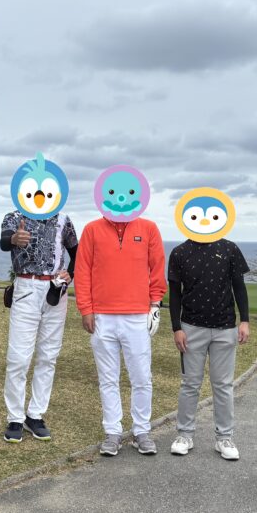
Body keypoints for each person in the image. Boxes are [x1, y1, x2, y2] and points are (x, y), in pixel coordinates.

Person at [75, 166, 166, 456]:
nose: (121, 199)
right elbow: (82, 271)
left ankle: (142, 431)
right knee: (108, 378)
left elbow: (157, 269)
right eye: (114, 192)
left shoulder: (148, 229)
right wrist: (86, 308)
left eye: (128, 192)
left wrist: (155, 304)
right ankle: (112, 431)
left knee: (141, 377)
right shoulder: (92, 230)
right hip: (102, 316)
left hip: (137, 315)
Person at [167, 235, 250, 461]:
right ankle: (185, 435)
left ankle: (224, 438)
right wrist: (176, 328)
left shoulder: (230, 248)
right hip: (191, 328)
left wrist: (244, 320)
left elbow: (239, 286)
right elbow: (174, 293)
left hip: (225, 328)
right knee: (190, 383)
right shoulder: (179, 252)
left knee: (223, 385)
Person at [0, 211, 78, 442]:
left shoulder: (63, 219)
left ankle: (35, 415)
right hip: (26, 287)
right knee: (18, 358)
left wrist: (70, 274)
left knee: (48, 356)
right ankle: (15, 417)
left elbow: (76, 251)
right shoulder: (14, 217)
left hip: (55, 289)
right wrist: (14, 239)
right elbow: (4, 242)